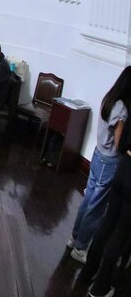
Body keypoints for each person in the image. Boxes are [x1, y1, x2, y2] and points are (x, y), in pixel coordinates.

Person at [68, 67, 131, 264]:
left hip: (98, 155)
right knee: (96, 207)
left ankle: (75, 238)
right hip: (109, 160)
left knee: (88, 201)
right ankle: (80, 248)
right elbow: (120, 143)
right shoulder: (121, 108)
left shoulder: (109, 98)